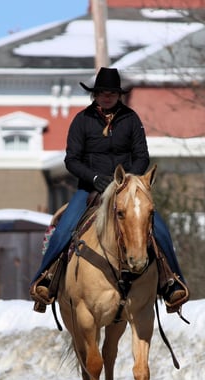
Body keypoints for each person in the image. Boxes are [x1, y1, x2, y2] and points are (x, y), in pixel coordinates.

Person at [30, 67, 189, 315]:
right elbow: (72, 160)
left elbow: (142, 156)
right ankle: (45, 281)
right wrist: (94, 178)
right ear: (95, 94)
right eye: (103, 92)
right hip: (90, 189)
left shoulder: (131, 119)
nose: (107, 97)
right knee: (64, 229)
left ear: (118, 95)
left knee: (159, 229)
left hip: (126, 189)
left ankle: (172, 284)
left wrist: (127, 181)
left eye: (112, 93)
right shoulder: (82, 120)